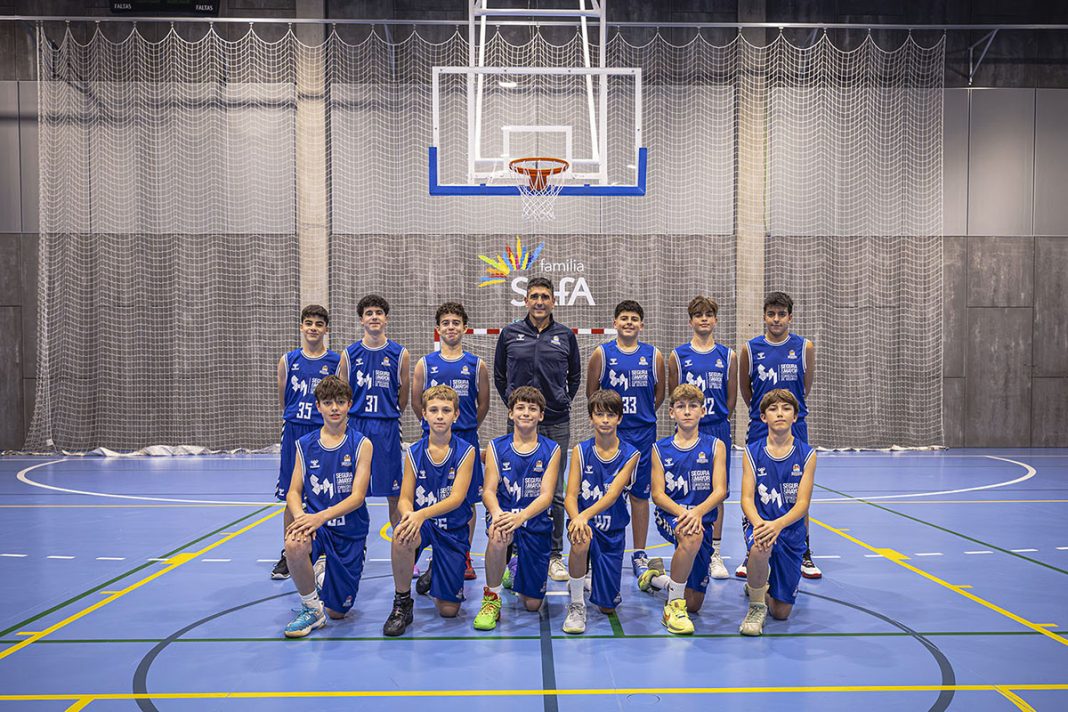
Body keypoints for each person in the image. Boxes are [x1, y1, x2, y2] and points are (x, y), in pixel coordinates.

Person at [493, 277, 582, 582]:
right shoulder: (509, 334)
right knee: (514, 489)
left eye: (545, 296)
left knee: (554, 493)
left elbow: (574, 376)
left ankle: (554, 555)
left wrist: (558, 401)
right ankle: (516, 553)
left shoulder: (565, 335)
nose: (540, 301)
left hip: (556, 422)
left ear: (553, 301)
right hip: (519, 424)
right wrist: (517, 406)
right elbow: (500, 376)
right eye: (534, 296)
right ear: (526, 300)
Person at [737, 291, 821, 580]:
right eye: (771, 314)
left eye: (781, 314)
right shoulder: (750, 349)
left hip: (794, 425)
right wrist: (766, 413)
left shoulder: (804, 347)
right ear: (764, 316)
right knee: (755, 490)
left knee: (796, 490)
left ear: (790, 317)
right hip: (761, 425)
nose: (776, 319)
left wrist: (786, 412)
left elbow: (804, 388)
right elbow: (746, 390)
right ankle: (752, 549)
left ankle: (803, 552)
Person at [282, 375, 372, 638]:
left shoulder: (362, 444)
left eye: (340, 402)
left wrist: (319, 517)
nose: (334, 408)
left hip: (349, 530)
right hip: (317, 527)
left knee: (338, 612)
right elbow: (293, 492)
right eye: (328, 402)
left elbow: (358, 497)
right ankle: (312, 609)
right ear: (318, 406)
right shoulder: (304, 445)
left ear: (349, 405)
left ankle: (322, 575)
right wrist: (301, 517)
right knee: (294, 543)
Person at [383, 385, 476, 637]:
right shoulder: (414, 452)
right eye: (433, 410)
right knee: (401, 534)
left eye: (446, 410)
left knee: (449, 611)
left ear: (456, 415)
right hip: (424, 525)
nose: (439, 416)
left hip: (452, 529)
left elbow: (456, 498)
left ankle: (438, 569)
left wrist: (421, 513)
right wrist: (408, 515)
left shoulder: (466, 451)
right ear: (423, 414)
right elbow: (405, 499)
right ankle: (402, 602)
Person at [586, 300, 664, 580]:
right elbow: (592, 394)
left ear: (641, 324)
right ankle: (597, 549)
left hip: (642, 434)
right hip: (611, 434)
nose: (629, 322)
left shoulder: (653, 355)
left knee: (640, 495)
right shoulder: (602, 354)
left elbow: (659, 395)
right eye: (624, 318)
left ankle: (639, 553)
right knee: (604, 493)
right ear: (615, 323)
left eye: (634, 318)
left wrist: (640, 415)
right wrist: (609, 420)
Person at [412, 302, 490, 582]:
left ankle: (463, 554)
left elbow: (483, 404)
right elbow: (417, 403)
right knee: (432, 498)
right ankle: (430, 550)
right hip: (433, 441)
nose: (451, 327)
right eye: (445, 322)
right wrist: (435, 428)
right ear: (438, 329)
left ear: (465, 328)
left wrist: (465, 426)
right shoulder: (425, 364)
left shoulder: (476, 364)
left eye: (456, 322)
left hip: (465, 438)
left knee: (467, 501)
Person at [642, 384, 728, 635]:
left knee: (695, 604)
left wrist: (697, 512)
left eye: (693, 406)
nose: (687, 411)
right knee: (691, 536)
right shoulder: (660, 448)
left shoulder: (716, 446)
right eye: (681, 407)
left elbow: (720, 490)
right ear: (672, 413)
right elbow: (657, 495)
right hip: (671, 515)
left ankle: (655, 578)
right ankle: (672, 607)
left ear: (703, 411)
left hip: (702, 517)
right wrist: (684, 514)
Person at [474, 386, 562, 631]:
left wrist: (521, 517)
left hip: (533, 519)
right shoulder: (496, 446)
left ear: (541, 415)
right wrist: (497, 514)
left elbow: (547, 496)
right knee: (498, 533)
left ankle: (514, 568)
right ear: (511, 413)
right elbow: (488, 490)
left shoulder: (551, 449)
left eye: (532, 409)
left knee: (532, 605)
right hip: (505, 515)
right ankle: (492, 598)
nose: (526, 413)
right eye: (520, 408)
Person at [667, 295, 736, 580]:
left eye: (709, 314)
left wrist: (714, 417)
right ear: (691, 321)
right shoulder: (678, 355)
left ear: (715, 320)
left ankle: (714, 553)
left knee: (718, 491)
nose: (704, 319)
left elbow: (731, 398)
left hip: (717, 428)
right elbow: (674, 395)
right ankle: (683, 543)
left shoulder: (728, 356)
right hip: (687, 430)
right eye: (698, 315)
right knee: (687, 488)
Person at [271, 305, 342, 580]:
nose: (313, 328)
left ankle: (326, 551)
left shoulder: (336, 361)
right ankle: (289, 552)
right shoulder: (288, 360)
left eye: (318, 324)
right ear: (302, 327)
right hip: (294, 431)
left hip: (322, 431)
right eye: (309, 323)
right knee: (292, 494)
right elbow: (284, 399)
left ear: (326, 329)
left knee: (326, 492)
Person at [561, 389, 639, 635]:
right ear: (591, 418)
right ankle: (576, 603)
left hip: (612, 529)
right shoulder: (580, 451)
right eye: (599, 414)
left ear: (619, 418)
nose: (605, 420)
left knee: (607, 607)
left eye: (611, 415)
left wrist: (584, 515)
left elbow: (613, 494)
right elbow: (570, 495)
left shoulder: (631, 454)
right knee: (580, 538)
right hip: (585, 525)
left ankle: (589, 578)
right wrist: (577, 518)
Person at [738, 388, 816, 636]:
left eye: (786, 408)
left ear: (795, 416)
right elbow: (746, 498)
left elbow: (803, 504)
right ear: (763, 417)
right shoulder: (752, 452)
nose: (780, 413)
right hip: (759, 522)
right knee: (760, 545)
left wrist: (778, 525)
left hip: (790, 529)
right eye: (773, 409)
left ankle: (760, 584)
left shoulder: (807, 454)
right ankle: (756, 606)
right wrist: (760, 524)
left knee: (781, 613)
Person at [337, 295, 410, 531]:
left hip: (387, 427)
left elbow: (403, 396)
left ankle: (401, 543)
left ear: (386, 318)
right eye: (369, 313)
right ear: (361, 320)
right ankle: (354, 544)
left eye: (379, 313)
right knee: (353, 491)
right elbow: (341, 395)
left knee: (394, 491)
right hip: (356, 426)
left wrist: (387, 412)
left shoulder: (400, 353)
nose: (374, 317)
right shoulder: (349, 354)